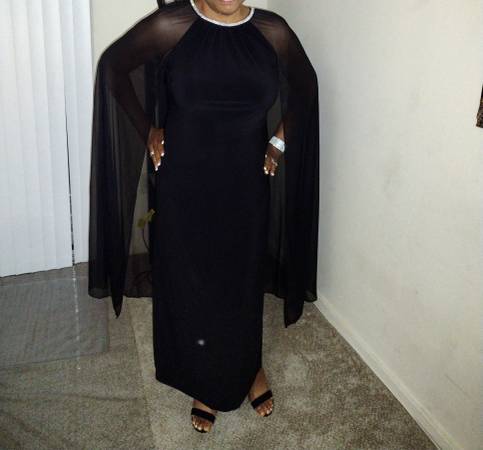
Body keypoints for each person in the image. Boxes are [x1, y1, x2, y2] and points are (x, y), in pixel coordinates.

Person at [88, 0, 319, 433]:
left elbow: (306, 86)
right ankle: (204, 379)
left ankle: (249, 365)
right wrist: (148, 130)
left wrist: (279, 142)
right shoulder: (171, 24)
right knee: (195, 280)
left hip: (246, 182)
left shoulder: (272, 30)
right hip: (186, 182)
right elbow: (113, 68)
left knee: (242, 276)